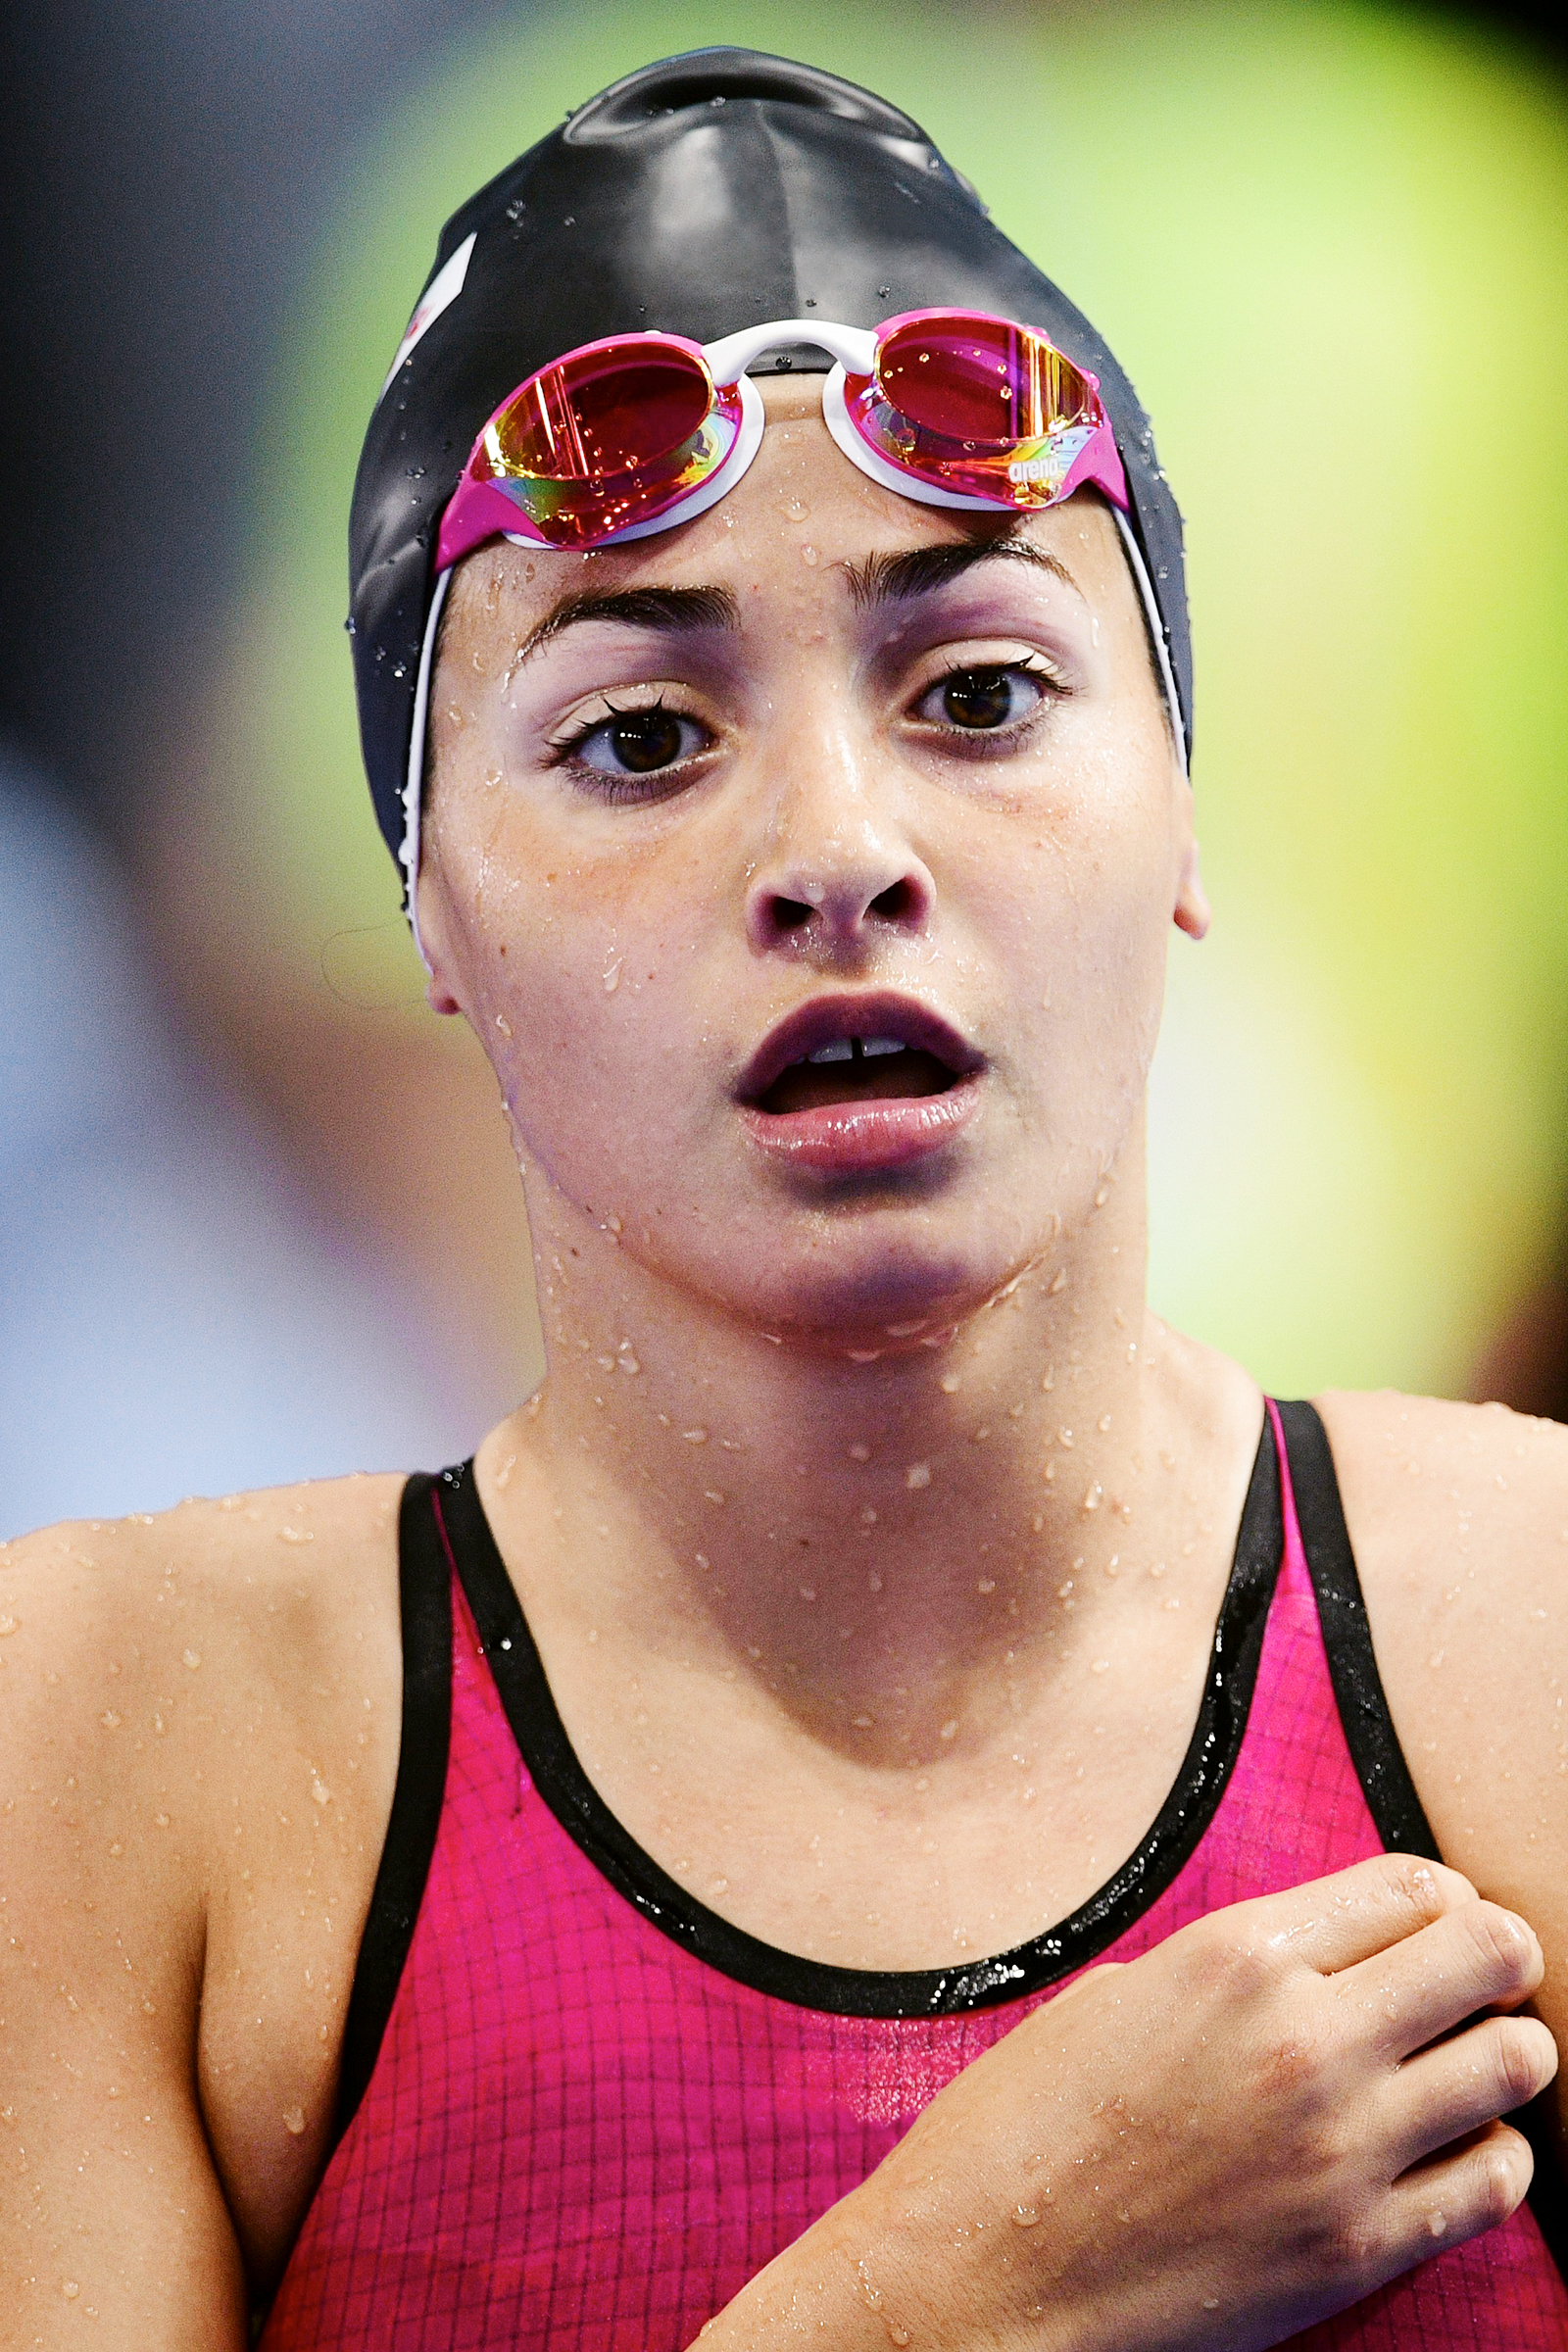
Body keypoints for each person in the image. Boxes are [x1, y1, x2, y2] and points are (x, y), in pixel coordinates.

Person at [2, 49, 1565, 2350]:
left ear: (1183, 810)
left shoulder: (1521, 1636)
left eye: (979, 691)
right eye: (641, 736)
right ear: (416, 909)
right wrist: (971, 2289)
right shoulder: (137, 1747)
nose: (838, 850)